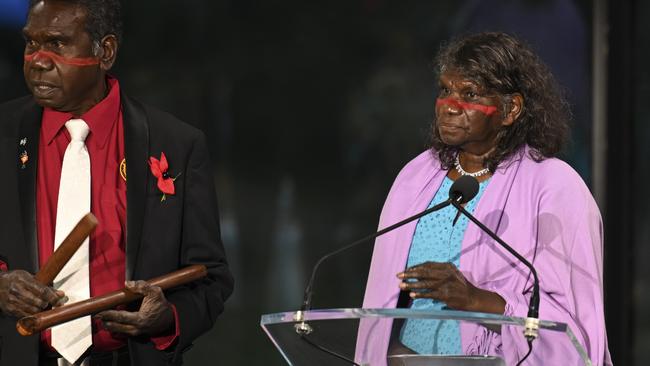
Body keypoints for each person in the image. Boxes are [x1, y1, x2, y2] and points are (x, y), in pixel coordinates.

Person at [356, 32, 612, 365]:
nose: (449, 105)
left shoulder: (555, 186)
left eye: (469, 94)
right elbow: (384, 303)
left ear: (510, 109)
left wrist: (476, 299)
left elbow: (574, 326)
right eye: (445, 90)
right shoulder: (415, 178)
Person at [0, 1, 233, 365]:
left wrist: (167, 317)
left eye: (58, 44)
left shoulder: (177, 145)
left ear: (104, 52)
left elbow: (211, 278)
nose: (38, 61)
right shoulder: (2, 133)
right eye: (32, 44)